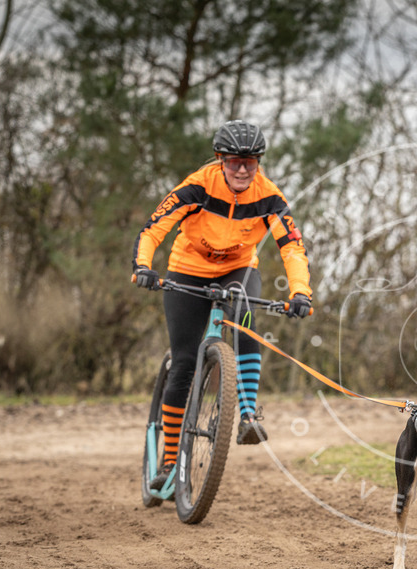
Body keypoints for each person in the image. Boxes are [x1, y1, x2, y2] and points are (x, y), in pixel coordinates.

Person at [132, 120, 312, 489]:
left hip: (238, 269)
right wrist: (143, 266)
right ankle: (168, 459)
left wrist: (301, 292)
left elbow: (292, 246)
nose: (243, 169)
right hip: (187, 269)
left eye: (251, 161)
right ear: (220, 160)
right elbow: (153, 228)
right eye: (234, 162)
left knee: (246, 316)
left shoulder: (269, 196)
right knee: (183, 362)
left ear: (259, 162)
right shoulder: (197, 185)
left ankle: (246, 414)